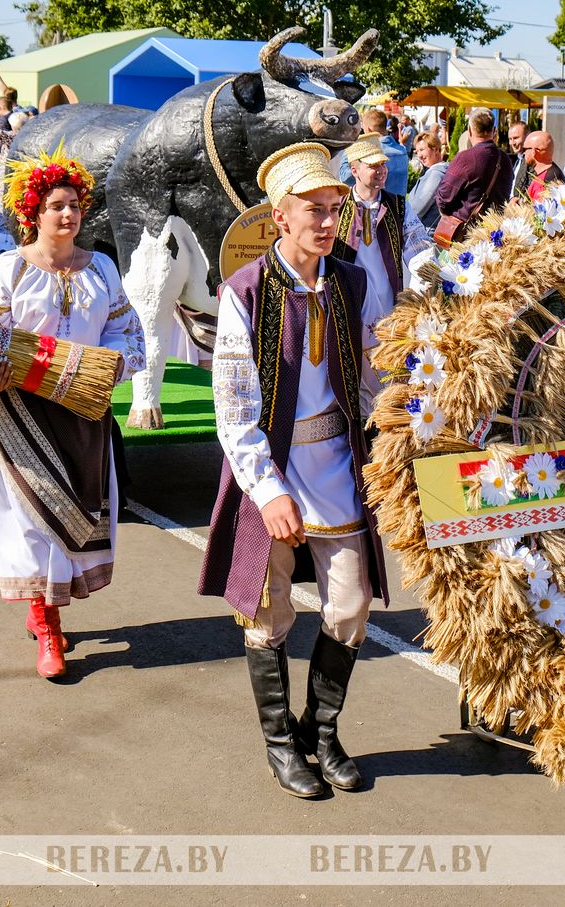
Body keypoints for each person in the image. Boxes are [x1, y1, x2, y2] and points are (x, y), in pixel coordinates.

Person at [202, 142, 390, 799]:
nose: (328, 219)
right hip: (274, 467)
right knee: (267, 611)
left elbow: (370, 377)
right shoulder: (245, 292)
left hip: (337, 459)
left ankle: (322, 732)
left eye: (335, 207)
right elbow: (233, 410)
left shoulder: (351, 280)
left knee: (351, 601)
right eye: (315, 208)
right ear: (280, 216)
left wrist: (394, 424)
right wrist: (266, 488)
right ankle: (283, 745)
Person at [0, 151, 146, 679]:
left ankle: (48, 609)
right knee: (31, 521)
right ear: (34, 212)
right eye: (55, 206)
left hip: (83, 411)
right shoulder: (10, 270)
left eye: (73, 205)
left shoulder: (101, 268)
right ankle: (46, 626)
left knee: (76, 512)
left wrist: (112, 363)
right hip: (19, 415)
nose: (67, 215)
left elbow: (129, 332)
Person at [334, 133, 432, 405]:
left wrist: (420, 288)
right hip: (352, 302)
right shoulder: (337, 206)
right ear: (354, 170)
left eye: (383, 165)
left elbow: (420, 248)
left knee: (389, 369)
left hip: (389, 301)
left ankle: (386, 419)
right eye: (373, 166)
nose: (381, 171)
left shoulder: (398, 206)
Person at [434, 110, 512, 242]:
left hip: (466, 236)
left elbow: (444, 197)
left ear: (469, 131)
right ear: (494, 130)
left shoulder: (465, 158)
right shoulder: (505, 159)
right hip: (496, 235)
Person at [334, 110, 410, 198]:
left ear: (368, 129)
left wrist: (348, 151)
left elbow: (345, 178)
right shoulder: (402, 151)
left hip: (374, 207)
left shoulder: (365, 153)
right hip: (399, 207)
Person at [511, 129, 565, 200]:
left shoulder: (547, 180)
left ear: (534, 152)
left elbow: (538, 210)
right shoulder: (550, 173)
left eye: (525, 149)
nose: (524, 153)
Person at [406, 132, 447, 224]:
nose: (419, 155)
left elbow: (416, 209)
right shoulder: (437, 171)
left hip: (427, 233)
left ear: (435, 149)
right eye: (417, 151)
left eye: (422, 149)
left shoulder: (436, 175)